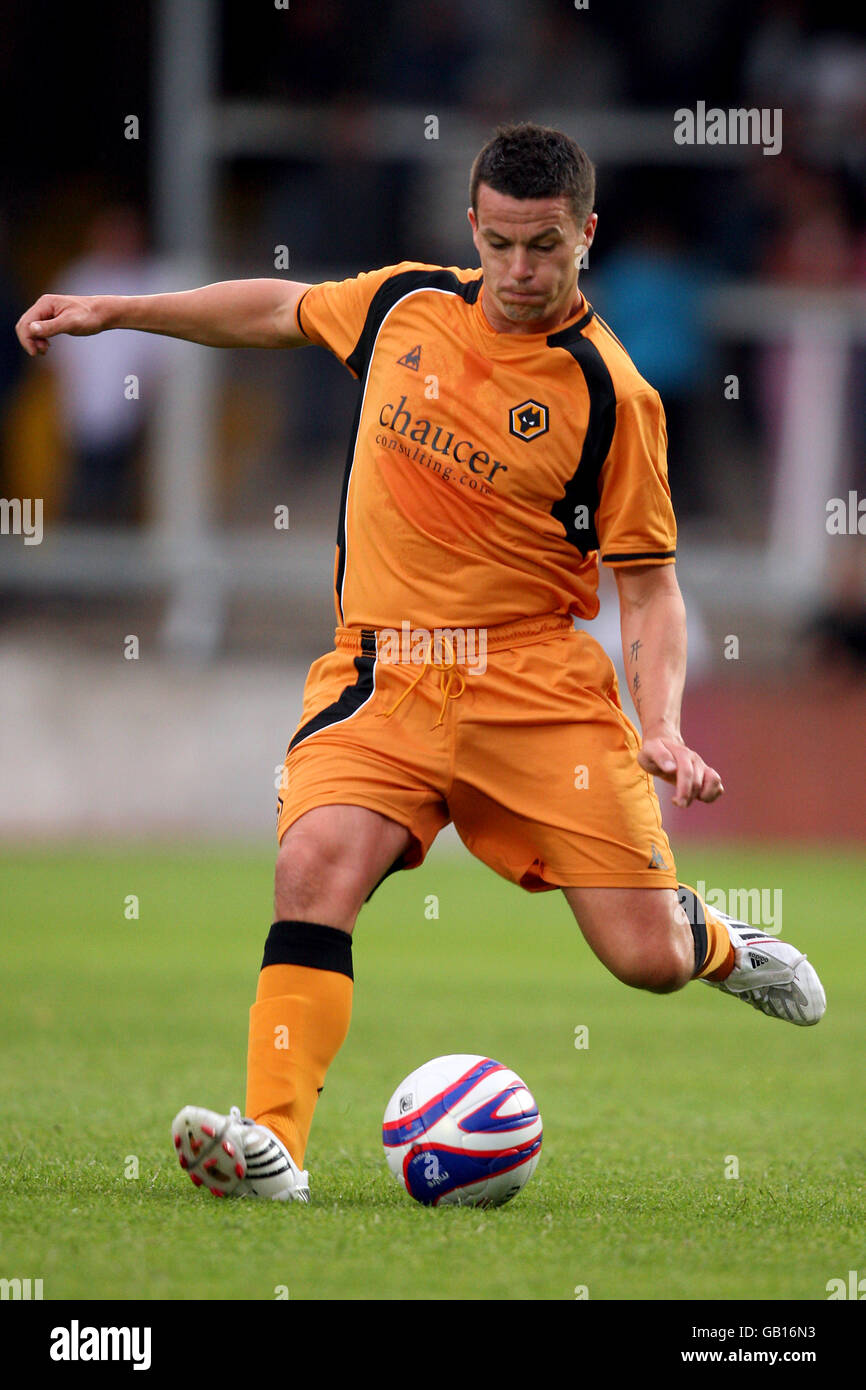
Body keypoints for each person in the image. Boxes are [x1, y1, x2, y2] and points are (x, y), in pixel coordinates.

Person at [16, 124, 825, 1205]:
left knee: (642, 958)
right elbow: (273, 309)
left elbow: (647, 583)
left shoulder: (610, 396)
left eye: (543, 247)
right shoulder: (404, 305)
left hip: (534, 689)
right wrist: (120, 309)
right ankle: (275, 1143)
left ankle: (713, 940)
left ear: (586, 234)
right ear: (470, 229)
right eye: (498, 244)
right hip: (381, 675)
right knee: (313, 868)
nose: (519, 271)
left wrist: (662, 719)